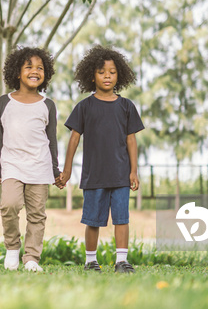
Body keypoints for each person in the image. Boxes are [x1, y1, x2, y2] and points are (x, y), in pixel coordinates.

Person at [56, 45, 144, 273]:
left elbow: (131, 141)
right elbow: (73, 140)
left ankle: (121, 261)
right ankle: (90, 261)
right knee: (92, 220)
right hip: (93, 176)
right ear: (91, 75)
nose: (107, 76)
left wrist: (133, 171)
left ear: (120, 75)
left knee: (121, 219)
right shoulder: (84, 107)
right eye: (102, 71)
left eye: (112, 72)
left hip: (121, 175)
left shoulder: (126, 106)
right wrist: (66, 171)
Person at [0, 46, 59, 272]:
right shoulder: (5, 101)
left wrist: (55, 170)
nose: (35, 71)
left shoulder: (47, 104)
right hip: (11, 164)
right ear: (17, 72)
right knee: (9, 205)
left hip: (40, 166)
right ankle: (12, 248)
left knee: (37, 214)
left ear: (45, 74)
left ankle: (31, 258)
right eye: (28, 66)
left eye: (40, 68)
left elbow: (52, 139)